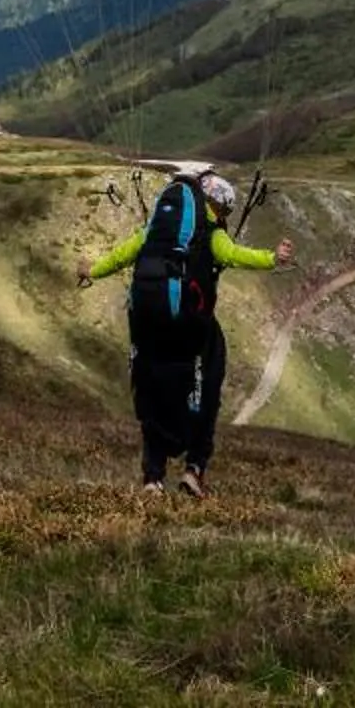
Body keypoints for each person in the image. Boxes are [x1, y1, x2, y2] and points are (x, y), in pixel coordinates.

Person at [79, 169, 289, 497]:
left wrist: (91, 270)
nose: (224, 216)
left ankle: (152, 478)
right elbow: (234, 255)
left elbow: (122, 255)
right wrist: (273, 258)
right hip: (189, 330)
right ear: (215, 205)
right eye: (224, 210)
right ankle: (194, 469)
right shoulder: (210, 233)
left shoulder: (157, 230)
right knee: (207, 390)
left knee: (151, 395)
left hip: (147, 325)